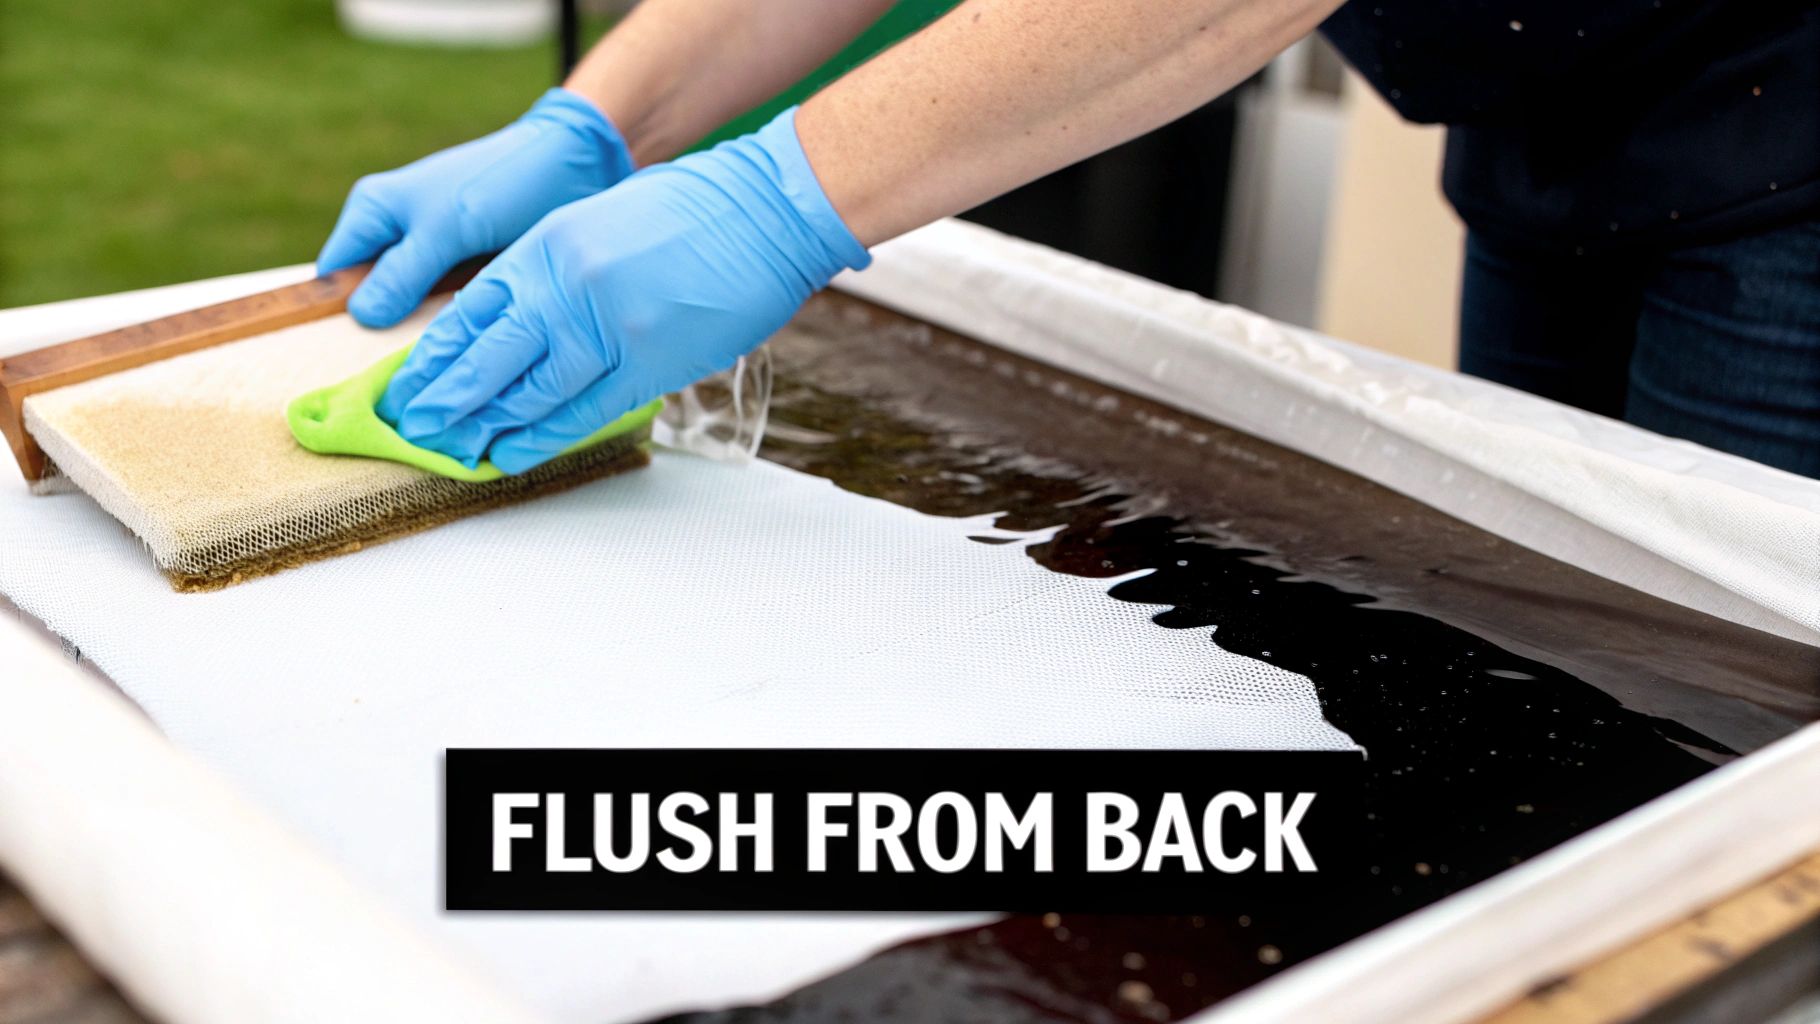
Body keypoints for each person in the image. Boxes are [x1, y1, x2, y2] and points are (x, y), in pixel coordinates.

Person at [319, 0, 1820, 478]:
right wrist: (598, 122)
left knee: (1746, 716)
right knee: (1581, 627)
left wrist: (779, 194)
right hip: (1566, 92)